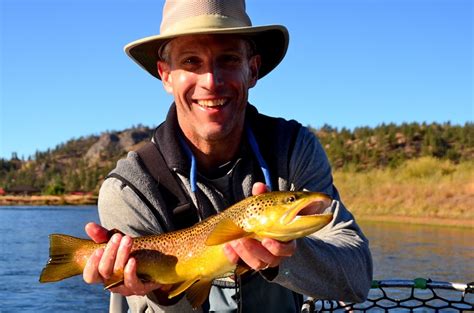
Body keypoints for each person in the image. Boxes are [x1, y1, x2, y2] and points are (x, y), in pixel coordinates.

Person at [83, 0, 373, 312]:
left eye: (229, 59)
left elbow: (356, 279)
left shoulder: (293, 150)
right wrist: (161, 294)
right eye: (192, 61)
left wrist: (284, 258)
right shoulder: (129, 188)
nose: (211, 81)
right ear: (166, 75)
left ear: (253, 70)